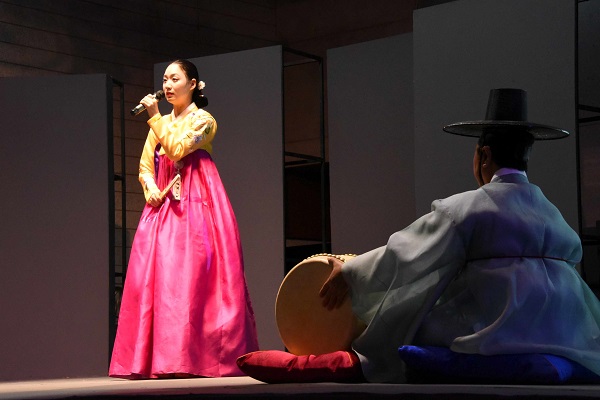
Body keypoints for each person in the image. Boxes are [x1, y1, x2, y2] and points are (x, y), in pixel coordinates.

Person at [320, 88, 600, 383]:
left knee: (411, 325)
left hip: (495, 333)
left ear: (484, 155)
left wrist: (350, 272)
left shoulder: (468, 209)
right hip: (565, 336)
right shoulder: (551, 212)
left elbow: (406, 254)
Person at [109, 59, 259, 379]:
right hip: (163, 206)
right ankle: (160, 359)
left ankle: (198, 357)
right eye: (164, 79)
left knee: (191, 280)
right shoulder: (160, 122)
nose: (167, 85)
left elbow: (177, 150)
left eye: (174, 78)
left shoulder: (204, 120)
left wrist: (153, 117)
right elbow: (146, 165)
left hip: (198, 203)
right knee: (158, 280)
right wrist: (149, 188)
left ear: (192, 84)